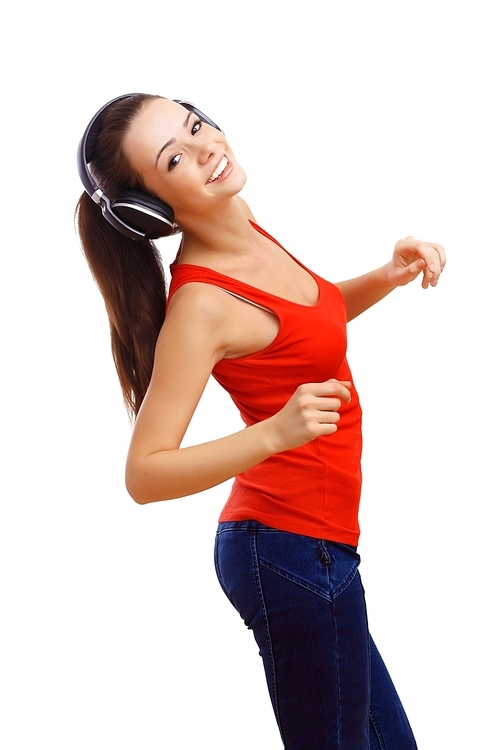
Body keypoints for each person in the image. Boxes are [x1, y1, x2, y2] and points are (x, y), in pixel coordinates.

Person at [76, 92, 445, 750]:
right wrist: (274, 433)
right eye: (175, 158)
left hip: (319, 543)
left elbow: (306, 323)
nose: (207, 148)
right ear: (151, 210)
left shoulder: (240, 218)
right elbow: (144, 472)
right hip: (288, 552)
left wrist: (386, 277)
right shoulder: (201, 306)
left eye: (196, 126)